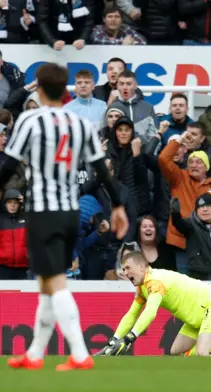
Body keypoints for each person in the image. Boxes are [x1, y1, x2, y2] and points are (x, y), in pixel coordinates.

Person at [1, 63, 128, 371]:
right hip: (71, 211)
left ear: (40, 89)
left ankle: (80, 353)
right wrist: (118, 205)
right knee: (46, 282)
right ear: (66, 89)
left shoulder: (31, 120)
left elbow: (7, 166)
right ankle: (34, 354)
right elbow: (101, 168)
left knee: (55, 281)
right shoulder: (79, 122)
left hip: (43, 212)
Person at [96, 251, 211, 357]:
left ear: (142, 267)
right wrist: (113, 340)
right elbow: (132, 314)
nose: (125, 272)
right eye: (123, 269)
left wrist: (129, 339)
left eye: (128, 268)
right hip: (197, 316)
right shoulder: (143, 286)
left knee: (202, 353)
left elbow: (150, 313)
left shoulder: (155, 281)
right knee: (176, 351)